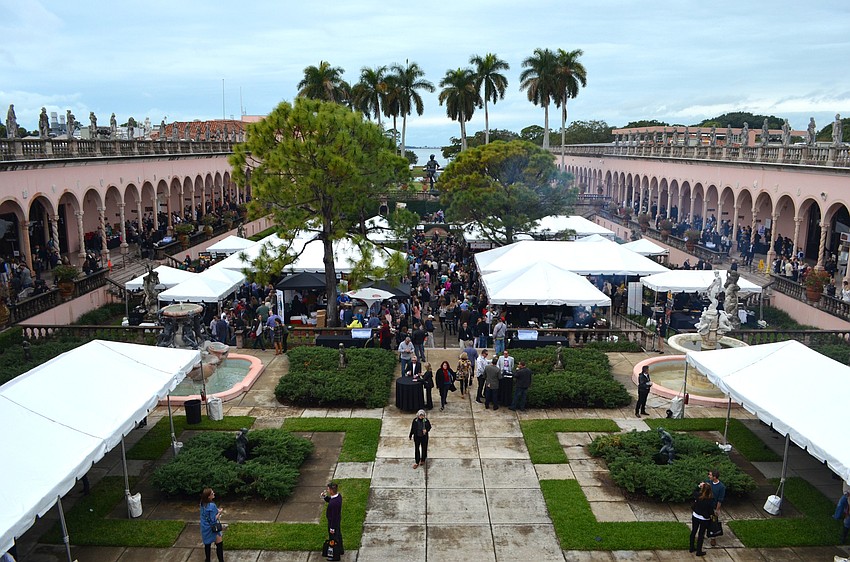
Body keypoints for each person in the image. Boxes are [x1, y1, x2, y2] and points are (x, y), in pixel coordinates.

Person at [199, 487, 224, 562]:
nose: (214, 494)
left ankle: (208, 559)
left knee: (207, 544)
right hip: (212, 528)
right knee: (219, 545)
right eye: (212, 493)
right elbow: (213, 520)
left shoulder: (202, 504)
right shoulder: (212, 506)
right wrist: (219, 512)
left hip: (204, 527)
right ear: (209, 496)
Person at [690, 481, 715, 556]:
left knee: (693, 531)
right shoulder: (710, 500)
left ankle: (691, 548)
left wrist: (698, 485)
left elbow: (694, 491)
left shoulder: (698, 495)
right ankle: (699, 551)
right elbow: (711, 512)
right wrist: (714, 518)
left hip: (695, 516)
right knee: (701, 535)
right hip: (704, 519)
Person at [322, 482, 343, 559]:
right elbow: (330, 500)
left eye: (328, 489)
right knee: (338, 535)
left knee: (333, 538)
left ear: (331, 490)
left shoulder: (333, 504)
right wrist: (325, 497)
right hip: (337, 520)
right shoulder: (338, 497)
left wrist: (332, 528)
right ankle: (340, 550)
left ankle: (334, 556)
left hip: (333, 523)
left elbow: (333, 517)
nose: (327, 490)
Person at [706, 468, 726, 547]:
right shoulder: (709, 482)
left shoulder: (721, 487)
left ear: (714, 477)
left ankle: (713, 538)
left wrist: (717, 509)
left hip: (713, 507)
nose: (708, 476)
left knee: (713, 522)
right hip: (707, 505)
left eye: (710, 475)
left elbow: (720, 500)